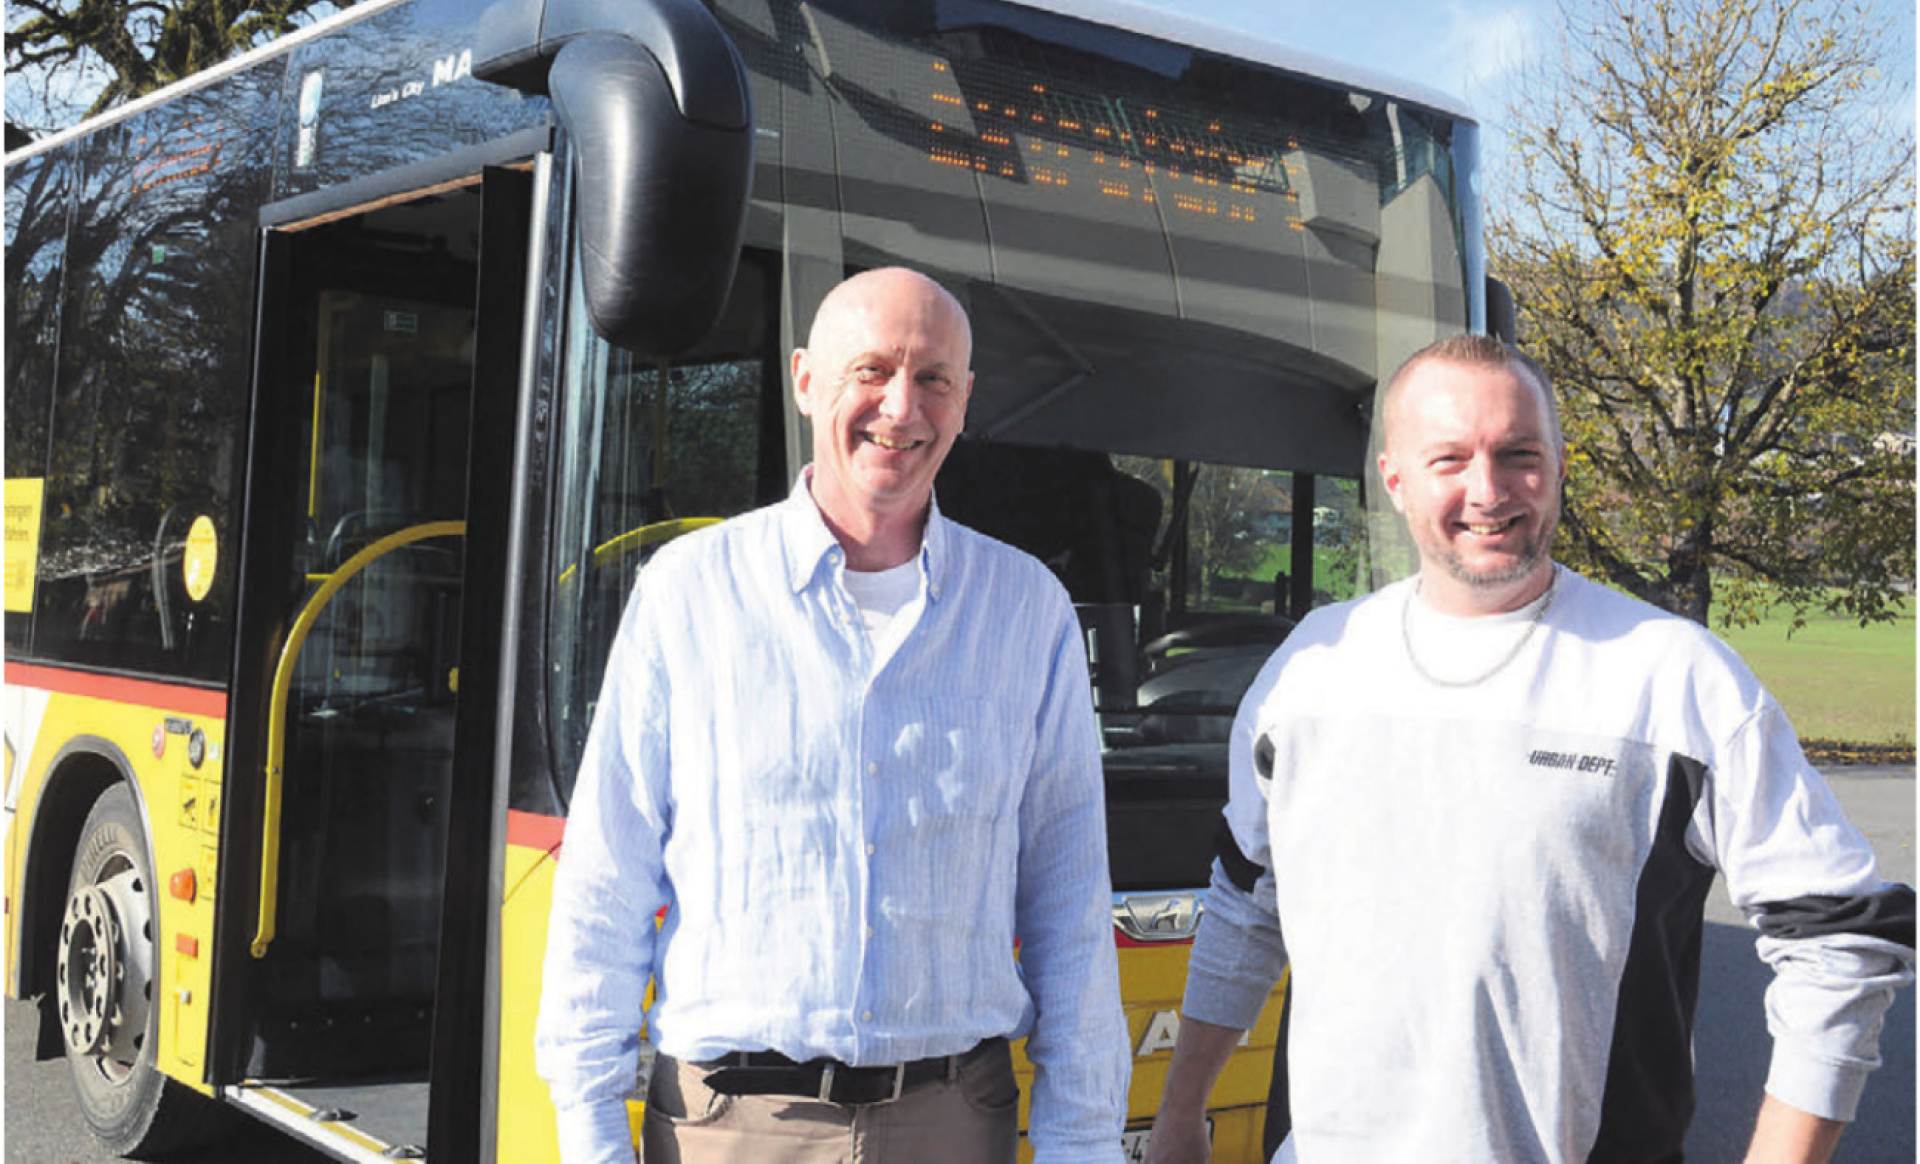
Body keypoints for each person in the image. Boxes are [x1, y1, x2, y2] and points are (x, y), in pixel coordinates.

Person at [1144, 334, 1915, 1164]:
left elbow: (1842, 937)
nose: (1489, 490)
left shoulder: (1673, 675)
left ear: (1558, 467)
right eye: (1451, 459)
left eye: (1520, 454)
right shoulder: (1310, 669)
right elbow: (1245, 902)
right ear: (1394, 479)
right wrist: (1182, 1112)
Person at [536, 267, 1129, 1164]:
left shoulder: (1026, 612)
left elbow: (1068, 903)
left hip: (953, 1122)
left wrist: (1080, 1144)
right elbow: (606, 881)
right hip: (727, 1129)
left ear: (965, 403)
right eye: (873, 370)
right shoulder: (690, 595)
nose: (902, 406)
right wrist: (589, 1135)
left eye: (934, 378)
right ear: (808, 379)